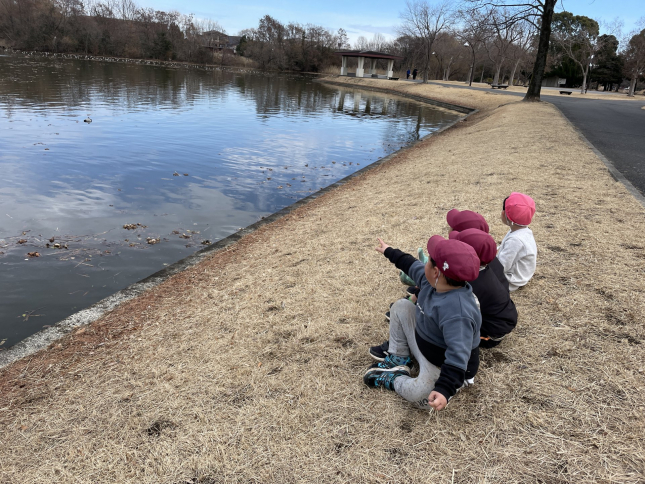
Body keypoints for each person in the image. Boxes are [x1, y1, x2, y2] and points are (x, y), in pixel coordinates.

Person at [365, 235, 481, 411]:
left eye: (428, 261)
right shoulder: (432, 282)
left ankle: (395, 379)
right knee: (402, 306)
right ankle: (399, 357)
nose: (423, 264)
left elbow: (458, 356)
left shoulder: (458, 312)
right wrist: (389, 251)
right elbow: (411, 265)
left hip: (442, 366)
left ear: (436, 272)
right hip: (425, 345)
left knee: (423, 397)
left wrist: (444, 389)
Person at [449, 228, 518, 348]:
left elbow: (460, 311)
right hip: (501, 317)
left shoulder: (474, 284)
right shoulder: (489, 264)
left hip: (491, 334)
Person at [498, 192, 537, 291]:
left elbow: (501, 267)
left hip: (511, 280)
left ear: (504, 214)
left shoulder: (515, 240)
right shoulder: (523, 231)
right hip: (518, 276)